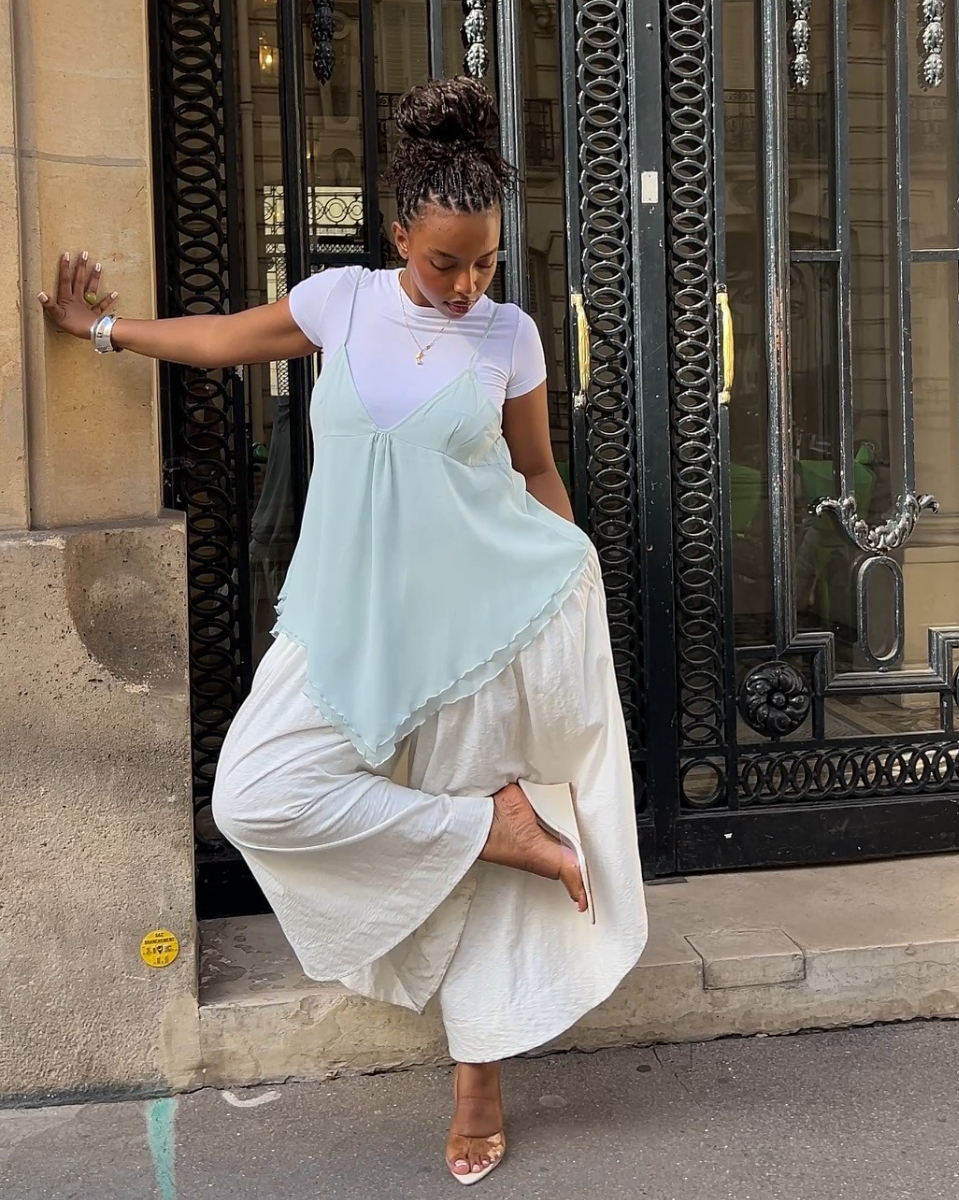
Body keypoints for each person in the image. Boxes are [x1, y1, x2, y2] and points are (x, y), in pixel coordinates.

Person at [39, 76, 648, 1185]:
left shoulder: (511, 336)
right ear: (398, 233)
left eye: (485, 263)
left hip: (477, 622)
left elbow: (535, 472)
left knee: (488, 874)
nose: (466, 286)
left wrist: (568, 590)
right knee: (253, 794)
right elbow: (219, 340)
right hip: (343, 617)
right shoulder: (341, 303)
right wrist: (102, 328)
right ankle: (487, 824)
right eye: (445, 262)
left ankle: (478, 1083)